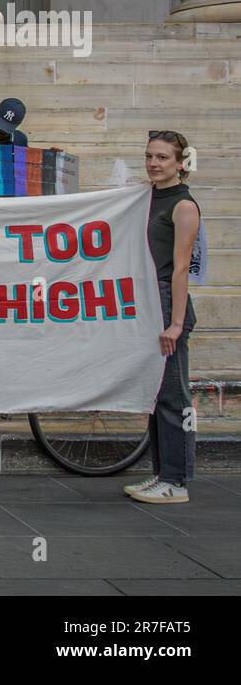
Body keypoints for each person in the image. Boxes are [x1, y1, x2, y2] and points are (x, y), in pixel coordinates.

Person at [128, 130, 201, 504]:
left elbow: (181, 268)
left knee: (174, 395)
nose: (154, 164)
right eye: (149, 156)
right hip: (147, 303)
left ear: (180, 163)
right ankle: (161, 474)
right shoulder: (146, 196)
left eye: (162, 158)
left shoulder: (183, 206)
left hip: (168, 304)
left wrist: (174, 323)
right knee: (158, 395)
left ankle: (177, 481)